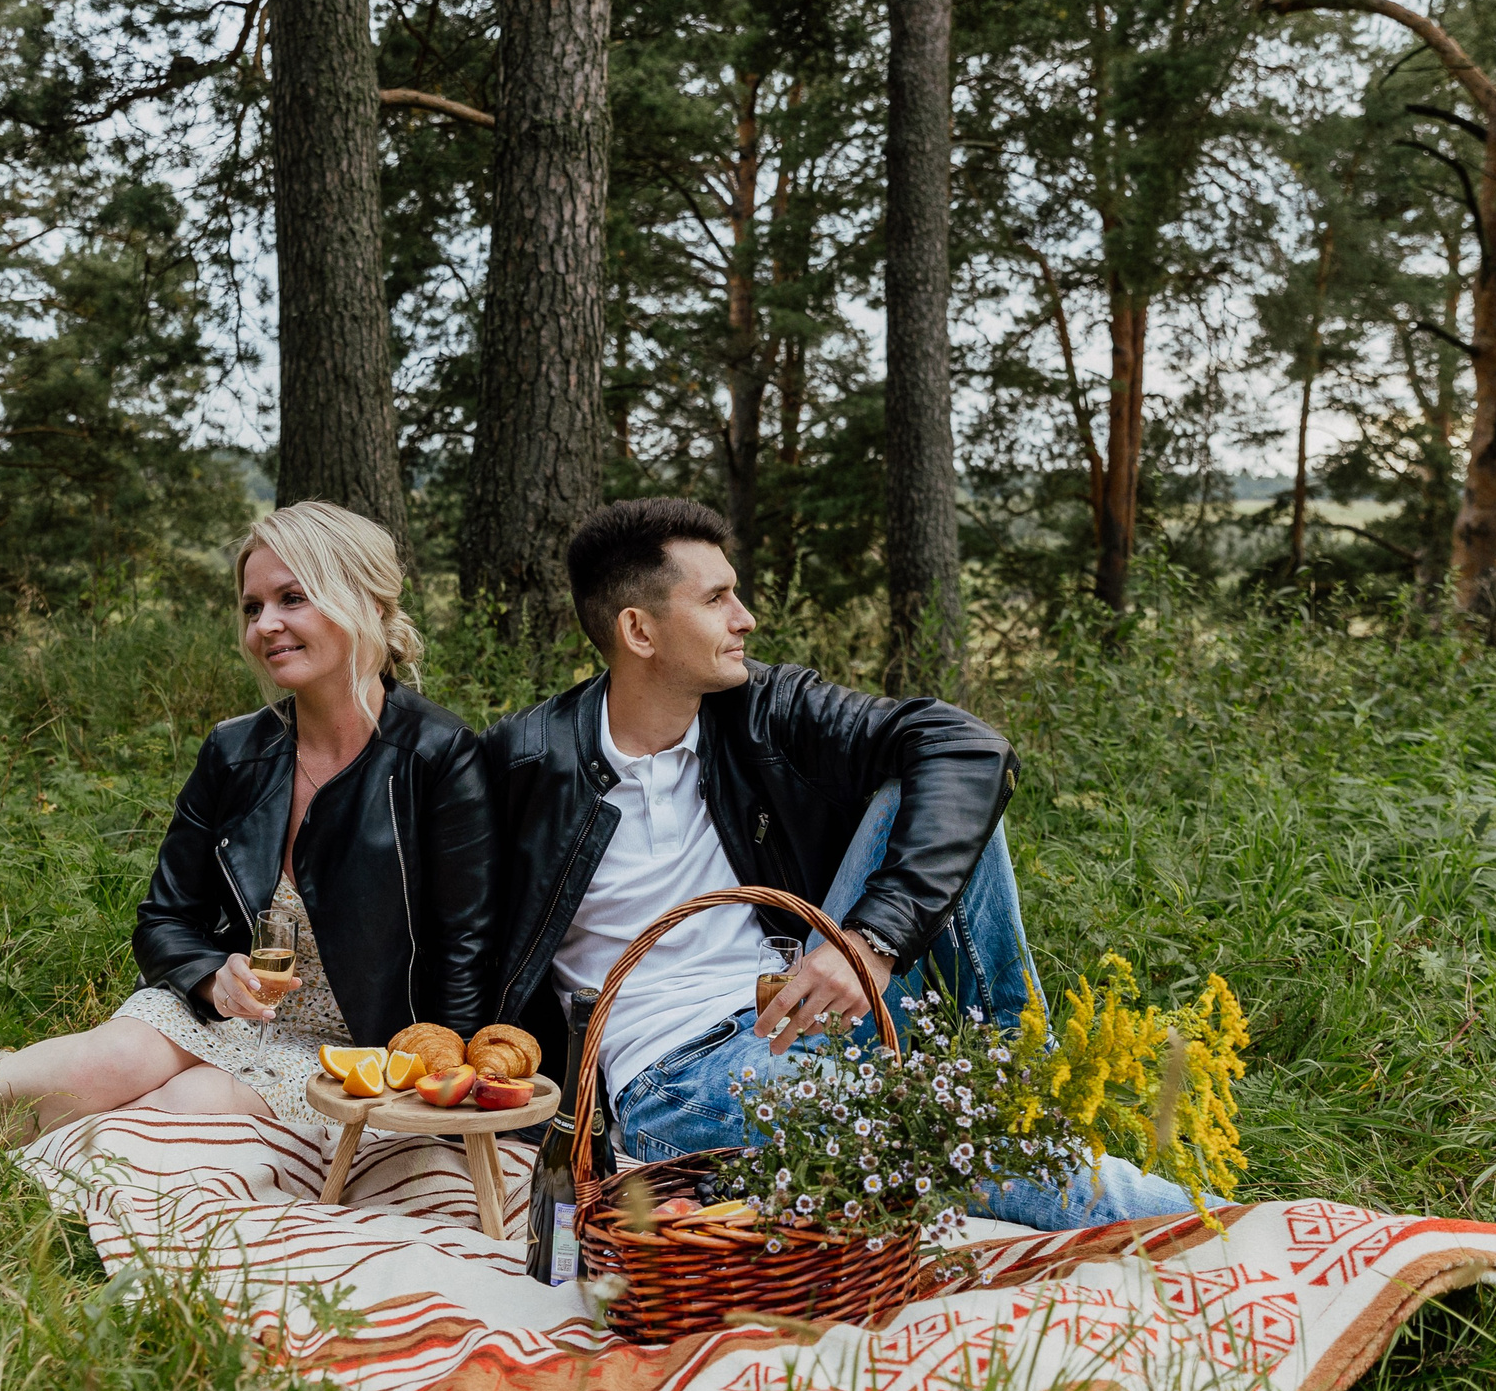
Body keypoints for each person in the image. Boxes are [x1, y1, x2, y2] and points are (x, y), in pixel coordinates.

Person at [479, 497, 1200, 1231]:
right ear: (639, 629)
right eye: (716, 598)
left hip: (804, 1002)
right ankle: (1226, 1226)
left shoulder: (764, 706)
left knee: (929, 782)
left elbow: (969, 747)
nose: (746, 617)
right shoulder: (524, 762)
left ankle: (1022, 1083)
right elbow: (456, 938)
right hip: (677, 1077)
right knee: (951, 1147)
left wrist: (871, 940)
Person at [0, 502, 497, 1156]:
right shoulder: (236, 749)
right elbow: (163, 921)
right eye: (252, 606)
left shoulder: (439, 756)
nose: (266, 625)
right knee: (109, 1056)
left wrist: (437, 1096)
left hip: (345, 1051)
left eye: (294, 598)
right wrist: (209, 975)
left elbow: (465, 955)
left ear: (367, 602)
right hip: (223, 1011)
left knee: (169, 1112)